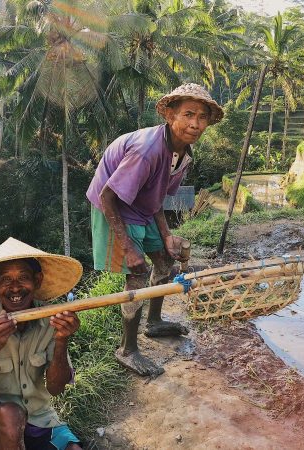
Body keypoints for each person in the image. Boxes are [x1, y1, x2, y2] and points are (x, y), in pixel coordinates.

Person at [86, 83, 223, 377]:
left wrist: (167, 236)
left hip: (141, 205)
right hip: (115, 207)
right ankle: (127, 349)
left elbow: (157, 197)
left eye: (202, 117)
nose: (195, 124)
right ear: (170, 114)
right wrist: (129, 247)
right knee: (136, 273)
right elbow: (107, 197)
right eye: (188, 114)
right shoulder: (147, 151)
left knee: (164, 260)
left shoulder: (183, 154)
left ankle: (154, 321)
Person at [0, 237, 84, 450]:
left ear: (37, 281)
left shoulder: (51, 319)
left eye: (23, 278)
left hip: (39, 416)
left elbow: (56, 388)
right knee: (11, 416)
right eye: (6, 280)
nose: (15, 288)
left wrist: (61, 340)